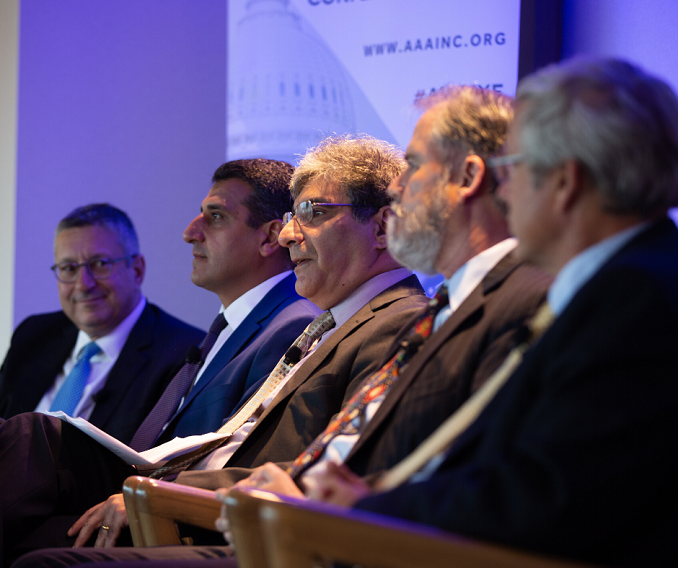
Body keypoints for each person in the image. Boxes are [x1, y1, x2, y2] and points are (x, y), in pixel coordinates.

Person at [14, 87, 553, 566]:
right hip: (243, 508)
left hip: (286, 531)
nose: (400, 188)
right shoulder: (389, 317)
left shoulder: (444, 312)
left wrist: (323, 495)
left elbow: (450, 480)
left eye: (312, 212)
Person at [1, 136, 427, 565]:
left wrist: (165, 493)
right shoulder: (334, 324)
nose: (289, 235)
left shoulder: (399, 326)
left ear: (381, 227)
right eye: (291, 215)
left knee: (38, 553)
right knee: (32, 440)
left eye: (312, 213)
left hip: (225, 521)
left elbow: (327, 474)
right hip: (181, 494)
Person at [340, 58, 678, 568]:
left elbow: (541, 498)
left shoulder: (636, 299)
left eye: (511, 170)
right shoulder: (627, 285)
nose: (503, 191)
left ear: (565, 183)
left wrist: (361, 509)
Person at [0, 204, 204, 444]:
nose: (83, 284)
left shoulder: (184, 355)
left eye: (100, 264)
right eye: (68, 268)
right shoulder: (34, 335)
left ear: (137, 270)